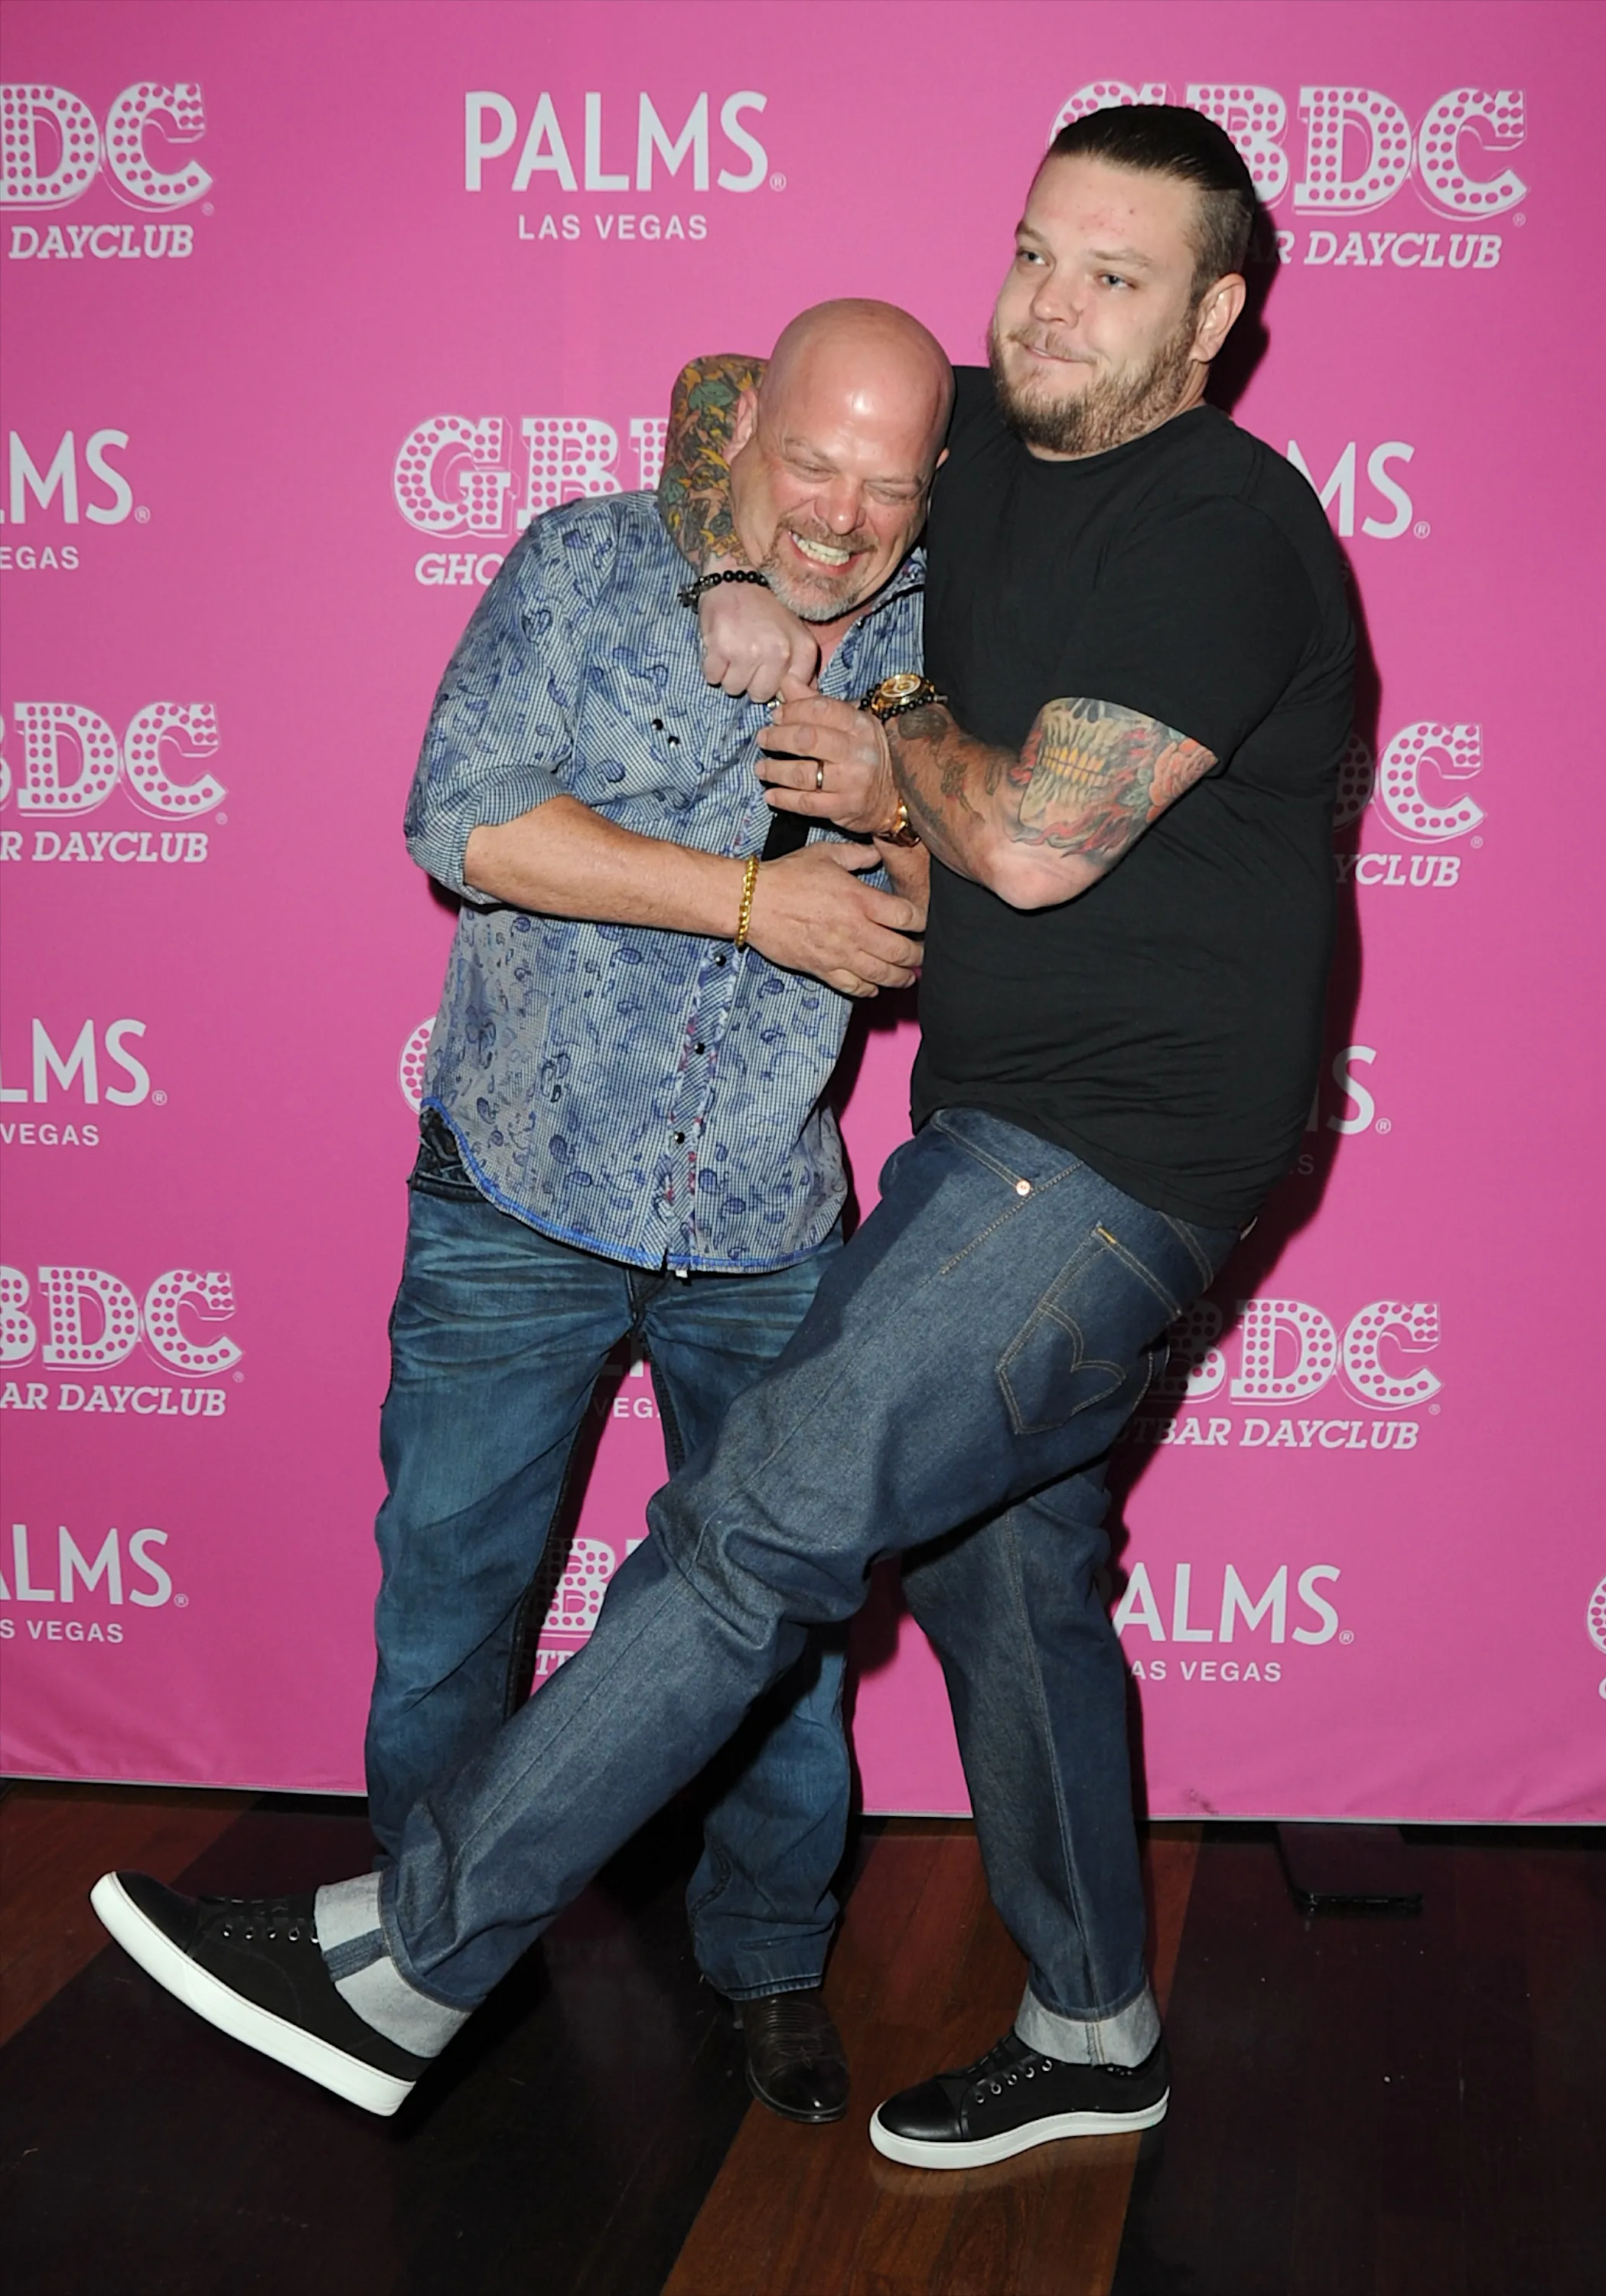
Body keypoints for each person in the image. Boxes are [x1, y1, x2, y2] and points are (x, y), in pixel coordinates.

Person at [93, 106, 1354, 2172]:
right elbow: (723, 399)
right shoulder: (973, 444)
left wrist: (882, 757)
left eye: (1114, 277)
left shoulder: (1214, 520)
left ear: (1213, 318)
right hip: (936, 1138)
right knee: (1004, 1582)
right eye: (1036, 251)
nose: (1048, 303)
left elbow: (1031, 841)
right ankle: (1097, 2013)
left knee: (758, 1528)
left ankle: (410, 1959)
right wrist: (715, 559)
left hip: (1095, 1162)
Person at [341, 296, 945, 2123]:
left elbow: (936, 917)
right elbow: (469, 824)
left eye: (888, 484)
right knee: (451, 1606)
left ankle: (767, 1963)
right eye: (809, 464)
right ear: (738, 431)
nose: (839, 517)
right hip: (518, 1192)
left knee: (771, 1639)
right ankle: (421, 1961)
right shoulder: (592, 562)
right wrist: (754, 904)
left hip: (768, 1219)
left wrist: (903, 844)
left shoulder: (944, 640)